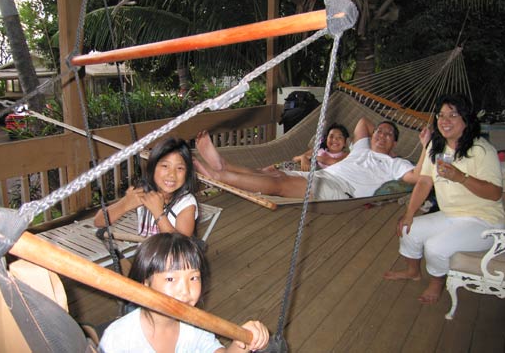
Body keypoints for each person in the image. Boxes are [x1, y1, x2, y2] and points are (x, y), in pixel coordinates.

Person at [383, 93, 505, 304]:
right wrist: (409, 214)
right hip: (451, 214)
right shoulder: (436, 148)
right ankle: (413, 271)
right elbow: (423, 182)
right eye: (440, 115)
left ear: (466, 119)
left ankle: (437, 282)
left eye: (452, 115)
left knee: (435, 247)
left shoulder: (482, 150)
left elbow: (495, 194)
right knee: (406, 228)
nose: (444, 121)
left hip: (485, 221)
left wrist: (461, 177)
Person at [98, 233, 270, 352]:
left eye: (194, 278)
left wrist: (245, 341)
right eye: (171, 279)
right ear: (146, 283)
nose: (185, 290)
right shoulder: (118, 338)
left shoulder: (195, 326)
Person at [194, 117, 427, 200]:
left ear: (395, 143)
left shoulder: (396, 163)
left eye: (389, 135)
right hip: (322, 175)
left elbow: (418, 177)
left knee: (279, 185)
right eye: (379, 132)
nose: (382, 135)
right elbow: (363, 121)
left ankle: (220, 175)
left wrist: (425, 146)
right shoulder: (362, 148)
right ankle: (224, 165)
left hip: (343, 190)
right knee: (272, 173)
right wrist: (379, 134)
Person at [94, 137, 198, 237]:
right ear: (152, 167)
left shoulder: (186, 202)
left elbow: (181, 247)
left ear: (187, 172)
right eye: (165, 166)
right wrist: (124, 204)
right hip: (146, 254)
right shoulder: (144, 193)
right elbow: (98, 221)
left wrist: (158, 213)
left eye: (180, 168)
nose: (172, 174)